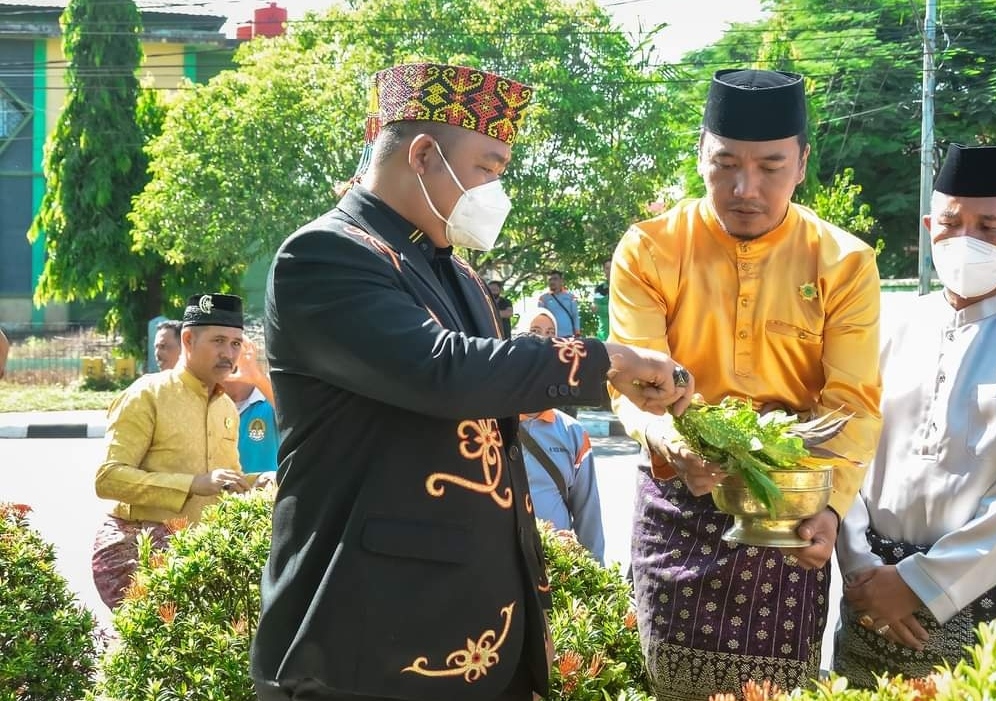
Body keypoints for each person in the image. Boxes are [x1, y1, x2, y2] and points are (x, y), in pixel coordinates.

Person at [250, 61, 694, 701]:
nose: (496, 191)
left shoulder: (456, 276)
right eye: (487, 168)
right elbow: (445, 371)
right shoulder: (324, 256)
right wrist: (608, 362)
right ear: (425, 153)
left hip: (484, 639)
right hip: (369, 642)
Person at [608, 68, 883, 698]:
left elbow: (854, 403)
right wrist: (667, 439)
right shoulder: (649, 249)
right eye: (725, 163)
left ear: (802, 163)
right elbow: (633, 379)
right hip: (679, 497)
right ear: (702, 153)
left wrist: (833, 507)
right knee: (668, 680)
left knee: (778, 688)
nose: (745, 188)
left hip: (786, 510)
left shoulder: (843, 261)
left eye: (770, 166)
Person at [833, 144, 996, 686]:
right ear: (928, 226)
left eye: (989, 227)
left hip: (988, 592)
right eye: (951, 222)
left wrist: (919, 583)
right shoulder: (887, 328)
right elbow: (844, 447)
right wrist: (860, 569)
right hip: (870, 591)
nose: (966, 239)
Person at [91, 293, 255, 610]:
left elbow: (222, 482)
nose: (228, 353)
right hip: (141, 553)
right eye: (219, 341)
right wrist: (191, 484)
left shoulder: (226, 407)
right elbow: (108, 479)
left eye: (236, 344)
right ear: (189, 340)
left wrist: (257, 481)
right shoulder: (146, 395)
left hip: (201, 558)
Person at [519, 309, 605, 561]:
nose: (543, 341)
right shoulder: (489, 423)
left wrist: (595, 571)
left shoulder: (572, 432)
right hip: (503, 564)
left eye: (551, 334)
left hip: (558, 565)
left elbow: (588, 510)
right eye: (534, 332)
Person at [222, 336, 279, 476]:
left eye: (235, 346)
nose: (228, 355)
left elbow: (295, 415)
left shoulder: (268, 399)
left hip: (267, 496)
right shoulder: (207, 402)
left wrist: (257, 377)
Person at [538, 269, 580, 337]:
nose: (552, 282)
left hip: (568, 336)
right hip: (551, 336)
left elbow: (575, 316)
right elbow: (541, 317)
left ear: (561, 281)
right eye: (550, 280)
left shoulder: (571, 297)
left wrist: (577, 333)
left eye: (555, 279)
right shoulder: (543, 299)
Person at [592, 259, 612, 341]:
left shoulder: (623, 288)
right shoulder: (599, 289)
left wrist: (602, 308)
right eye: (607, 268)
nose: (609, 271)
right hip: (604, 334)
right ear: (604, 270)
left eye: (611, 268)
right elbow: (595, 309)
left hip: (621, 333)